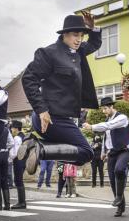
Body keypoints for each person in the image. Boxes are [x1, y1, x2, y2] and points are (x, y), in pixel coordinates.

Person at [19, 13, 102, 174]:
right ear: (65, 34)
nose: (79, 40)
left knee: (72, 149)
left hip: (59, 118)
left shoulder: (78, 51)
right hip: (50, 117)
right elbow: (29, 79)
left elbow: (94, 43)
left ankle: (33, 143)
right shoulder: (49, 53)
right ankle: (39, 149)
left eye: (81, 35)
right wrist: (42, 110)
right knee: (86, 152)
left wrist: (93, 29)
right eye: (75, 35)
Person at [83, 97, 129, 217]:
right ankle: (121, 206)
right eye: (103, 109)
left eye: (105, 108)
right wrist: (104, 152)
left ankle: (119, 197)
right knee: (112, 180)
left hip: (124, 150)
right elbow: (107, 136)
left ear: (111, 107)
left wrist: (92, 127)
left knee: (119, 170)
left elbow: (108, 126)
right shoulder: (107, 119)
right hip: (112, 152)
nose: (104, 111)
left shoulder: (122, 118)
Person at [9, 120, 27, 209]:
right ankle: (22, 201)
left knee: (18, 180)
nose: (11, 130)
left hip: (18, 160)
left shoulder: (16, 138)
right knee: (19, 180)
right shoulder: (24, 136)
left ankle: (22, 202)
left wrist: (9, 153)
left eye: (12, 128)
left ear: (16, 128)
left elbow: (15, 153)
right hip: (24, 160)